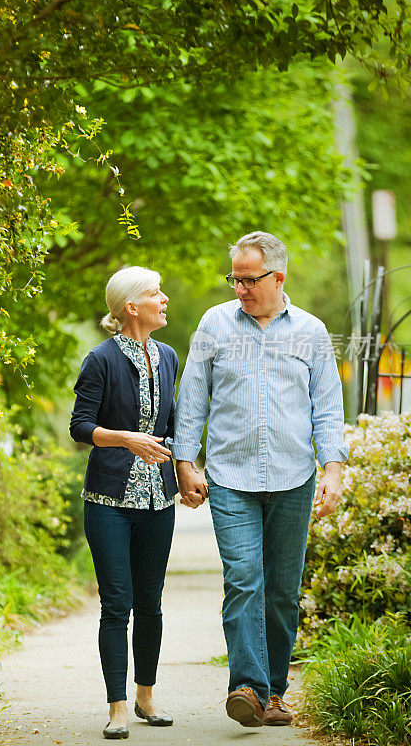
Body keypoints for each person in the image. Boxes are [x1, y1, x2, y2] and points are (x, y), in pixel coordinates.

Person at [172, 231, 347, 728]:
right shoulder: (213, 325)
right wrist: (186, 463)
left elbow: (327, 406)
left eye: (249, 280)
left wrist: (332, 467)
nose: (240, 288)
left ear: (279, 277)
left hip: (294, 477)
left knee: (282, 593)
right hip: (231, 477)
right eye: (235, 279)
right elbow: (193, 399)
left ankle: (272, 694)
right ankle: (247, 686)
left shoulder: (311, 331)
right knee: (244, 580)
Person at [69, 266, 178, 740]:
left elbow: (172, 424)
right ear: (132, 306)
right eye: (156, 293)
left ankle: (146, 695)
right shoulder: (101, 359)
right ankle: (117, 707)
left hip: (158, 499)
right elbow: (80, 426)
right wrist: (126, 440)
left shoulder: (169, 356)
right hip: (109, 500)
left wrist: (187, 474)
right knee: (117, 604)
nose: (164, 298)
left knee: (150, 603)